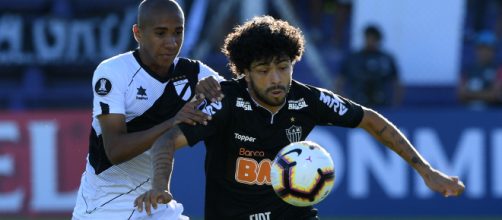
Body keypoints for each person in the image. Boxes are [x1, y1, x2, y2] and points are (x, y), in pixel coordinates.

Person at [134, 16, 465, 220]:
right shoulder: (224, 102)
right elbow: (167, 139)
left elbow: (369, 119)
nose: (277, 79)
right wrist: (160, 186)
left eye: (283, 67)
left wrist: (427, 171)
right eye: (264, 71)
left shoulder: (306, 99)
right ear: (246, 73)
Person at [72, 0, 224, 219]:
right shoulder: (113, 72)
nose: (171, 43)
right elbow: (114, 151)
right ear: (138, 33)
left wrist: (219, 90)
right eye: (160, 33)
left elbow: (237, 101)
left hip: (155, 205)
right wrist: (173, 123)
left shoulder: (194, 73)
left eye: (178, 32)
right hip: (104, 209)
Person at [335, 24, 403, 108]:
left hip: (382, 106)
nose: (371, 42)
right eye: (369, 38)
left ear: (379, 40)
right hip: (357, 106)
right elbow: (339, 83)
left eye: (374, 39)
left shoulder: (386, 59)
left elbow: (397, 83)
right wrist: (346, 104)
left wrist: (395, 105)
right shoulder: (353, 58)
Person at [458, 30, 502, 108]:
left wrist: (470, 94)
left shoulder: (499, 69)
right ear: (476, 50)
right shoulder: (468, 70)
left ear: (494, 51)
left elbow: (495, 95)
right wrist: (486, 94)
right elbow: (461, 94)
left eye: (488, 49)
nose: (484, 52)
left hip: (492, 114)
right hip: (468, 114)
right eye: (481, 48)